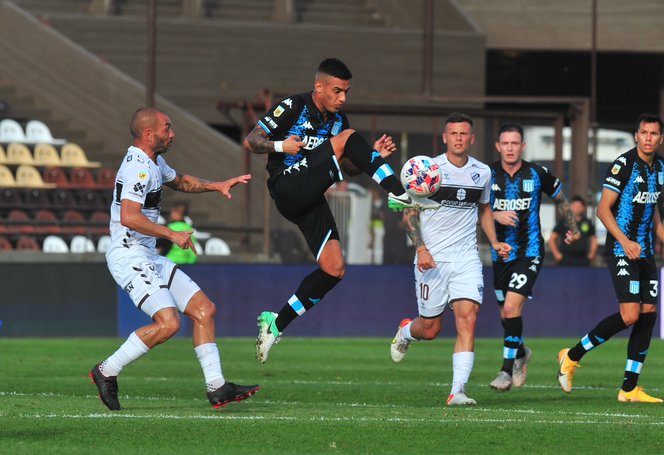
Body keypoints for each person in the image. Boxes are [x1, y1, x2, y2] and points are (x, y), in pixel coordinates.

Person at [244, 57, 438, 363]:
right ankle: (400, 195)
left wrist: (370, 156)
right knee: (348, 139)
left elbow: (344, 168)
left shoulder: (337, 121)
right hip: (286, 187)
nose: (342, 98)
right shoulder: (294, 106)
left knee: (334, 269)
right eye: (337, 91)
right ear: (318, 87)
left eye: (346, 91)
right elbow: (252, 140)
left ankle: (275, 324)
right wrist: (281, 147)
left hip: (310, 198)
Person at [89, 107, 259, 411]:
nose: (172, 133)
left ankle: (217, 387)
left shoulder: (155, 162)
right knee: (168, 324)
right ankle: (106, 370)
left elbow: (180, 181)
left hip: (148, 255)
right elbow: (129, 217)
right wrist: (171, 234)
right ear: (149, 134)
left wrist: (216, 185)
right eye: (167, 128)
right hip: (129, 256)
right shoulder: (137, 168)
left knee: (204, 310)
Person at [389, 113, 511, 406]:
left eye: (463, 134)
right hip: (432, 259)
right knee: (430, 330)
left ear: (472, 139)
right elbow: (409, 214)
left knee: (468, 319)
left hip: (467, 258)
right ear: (445, 137)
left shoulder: (482, 172)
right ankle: (406, 331)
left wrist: (494, 241)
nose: (458, 138)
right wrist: (421, 249)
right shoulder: (427, 170)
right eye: (453, 133)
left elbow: (483, 209)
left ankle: (457, 391)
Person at [557, 113, 664, 402]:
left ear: (661, 138)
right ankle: (572, 356)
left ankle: (629, 388)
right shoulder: (624, 165)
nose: (648, 138)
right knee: (630, 315)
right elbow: (602, 209)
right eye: (643, 133)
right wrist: (625, 242)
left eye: (654, 134)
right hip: (621, 248)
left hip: (646, 250)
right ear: (636, 135)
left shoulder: (660, 166)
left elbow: (653, 210)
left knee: (648, 314)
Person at [488, 123, 580, 392]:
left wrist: (572, 229)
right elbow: (475, 210)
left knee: (511, 309)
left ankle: (505, 371)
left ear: (522, 146)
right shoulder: (487, 175)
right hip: (501, 253)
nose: (509, 148)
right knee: (506, 317)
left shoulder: (537, 173)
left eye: (514, 143)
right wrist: (495, 215)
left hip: (530, 252)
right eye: (505, 143)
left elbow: (561, 200)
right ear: (498, 146)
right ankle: (521, 354)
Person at [548, 195, 598, 266]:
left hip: (582, 259)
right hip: (565, 258)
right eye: (574, 206)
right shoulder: (563, 221)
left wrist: (591, 255)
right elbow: (552, 239)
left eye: (579, 206)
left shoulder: (587, 222)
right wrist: (557, 254)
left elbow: (594, 240)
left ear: (583, 208)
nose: (576, 208)